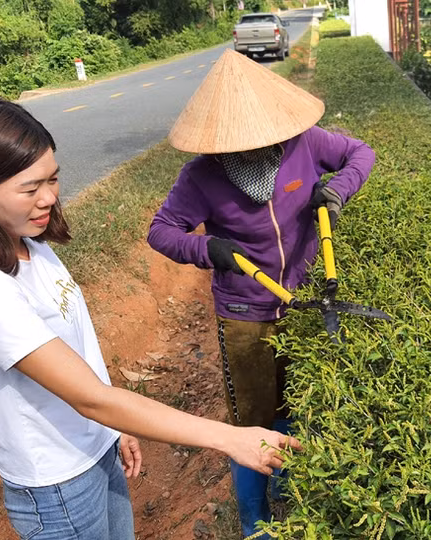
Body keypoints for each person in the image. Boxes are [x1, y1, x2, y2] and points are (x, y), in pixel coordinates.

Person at [0, 97, 301, 540]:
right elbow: (90, 398)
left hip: (95, 452)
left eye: (53, 179)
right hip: (58, 487)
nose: (49, 197)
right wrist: (230, 438)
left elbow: (80, 353)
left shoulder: (32, 246)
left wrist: (111, 429)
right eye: (30, 189)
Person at [147, 49, 375, 538]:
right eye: (236, 143)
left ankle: (293, 490)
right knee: (252, 417)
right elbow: (161, 231)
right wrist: (209, 248)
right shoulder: (200, 177)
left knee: (297, 403)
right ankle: (256, 522)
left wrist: (337, 190)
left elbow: (362, 153)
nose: (249, 148)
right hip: (245, 311)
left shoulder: (305, 143)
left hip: (305, 295)